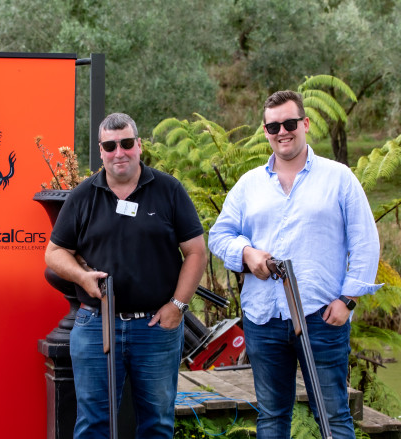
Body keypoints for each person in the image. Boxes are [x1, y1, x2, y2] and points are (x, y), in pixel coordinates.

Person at [208, 90, 381, 439]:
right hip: (263, 319)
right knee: (272, 417)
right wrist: (246, 252)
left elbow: (365, 242)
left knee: (333, 416)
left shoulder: (339, 177)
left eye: (289, 123)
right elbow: (219, 235)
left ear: (305, 123)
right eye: (273, 126)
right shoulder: (249, 185)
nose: (282, 132)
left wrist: (348, 301)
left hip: (322, 317)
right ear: (265, 131)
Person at [44, 112, 207, 438]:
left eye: (127, 143)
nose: (119, 152)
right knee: (93, 425)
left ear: (139, 145)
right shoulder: (82, 195)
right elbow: (54, 252)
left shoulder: (169, 190)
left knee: (157, 424)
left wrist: (177, 306)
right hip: (95, 325)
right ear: (101, 151)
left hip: (156, 328)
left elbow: (197, 252)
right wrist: (81, 277)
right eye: (110, 146)